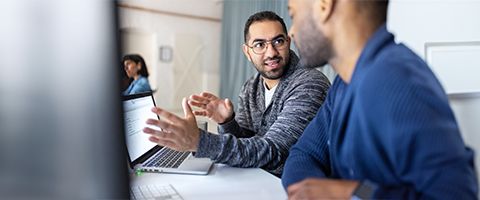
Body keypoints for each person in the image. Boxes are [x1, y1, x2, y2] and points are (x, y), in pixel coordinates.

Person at [281, 0, 478, 199]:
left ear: (324, 6)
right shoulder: (343, 84)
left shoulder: (396, 81)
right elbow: (303, 154)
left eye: (293, 15)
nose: (291, 31)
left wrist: (353, 193)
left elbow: (456, 195)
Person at [142, 11, 330, 176]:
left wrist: (198, 141)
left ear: (288, 43)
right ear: (247, 52)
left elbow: (274, 151)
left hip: (294, 187)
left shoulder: (309, 83)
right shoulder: (251, 87)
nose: (271, 52)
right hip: (257, 179)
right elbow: (246, 144)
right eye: (259, 44)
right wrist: (228, 122)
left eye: (278, 41)